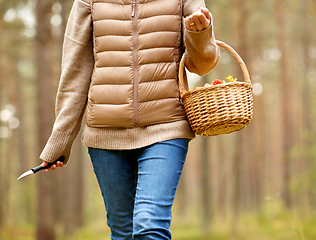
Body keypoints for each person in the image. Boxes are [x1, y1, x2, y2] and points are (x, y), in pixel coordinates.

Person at [40, 0, 219, 239]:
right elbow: (75, 74)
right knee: (123, 231)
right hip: (105, 134)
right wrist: (59, 142)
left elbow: (202, 65)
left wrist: (199, 34)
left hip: (166, 128)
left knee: (149, 224)